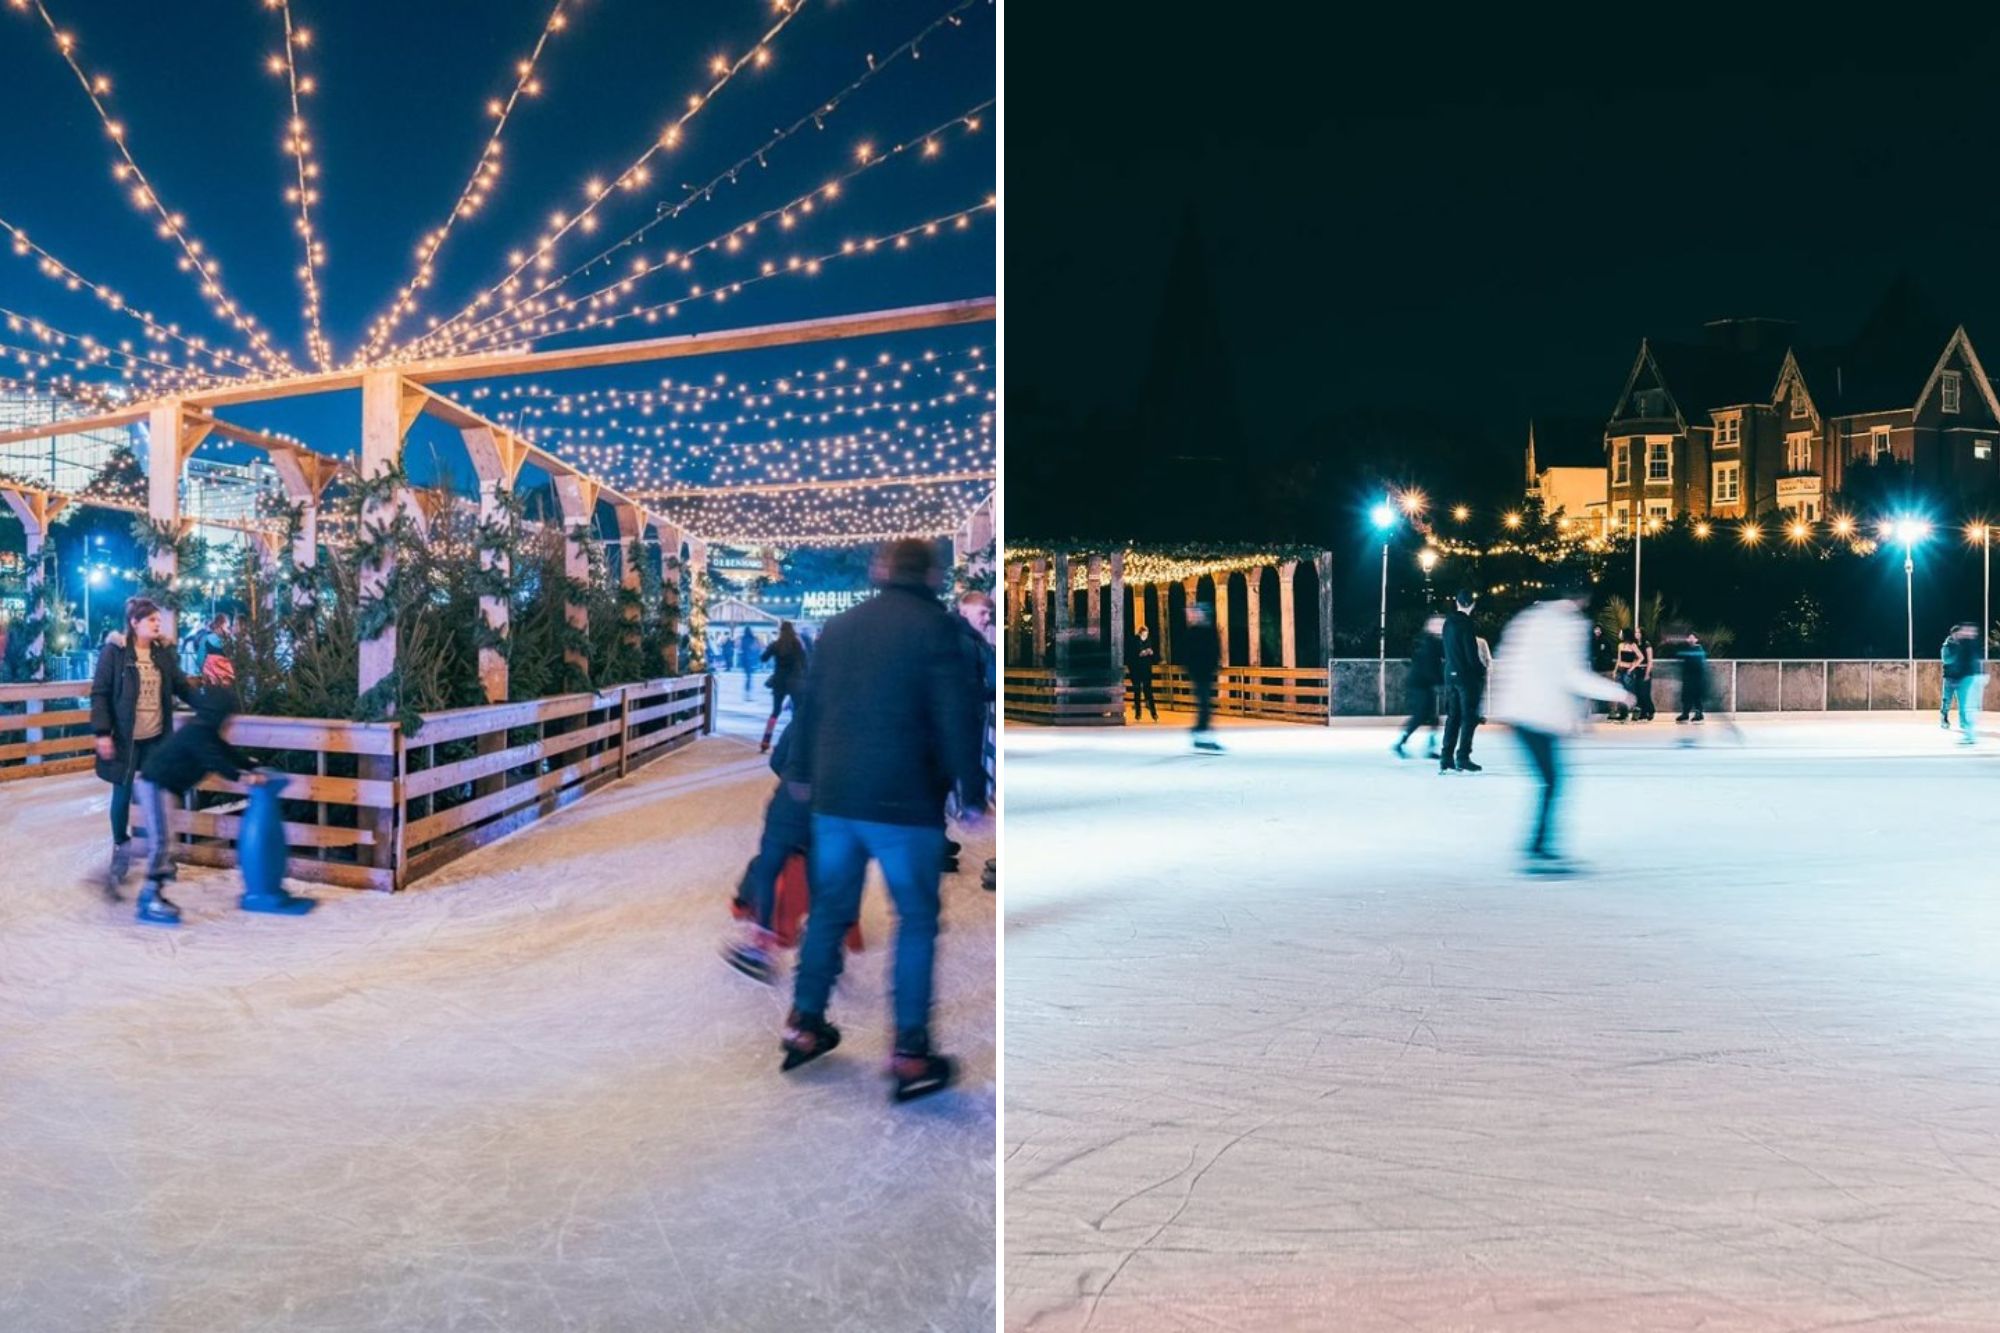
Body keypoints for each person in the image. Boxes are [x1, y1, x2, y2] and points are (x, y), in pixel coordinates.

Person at [778, 539, 987, 1103]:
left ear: (883, 571)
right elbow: (956, 711)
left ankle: (803, 1022)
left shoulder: (841, 628)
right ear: (932, 574)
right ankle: (910, 1053)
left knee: (828, 912)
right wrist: (971, 789)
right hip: (906, 803)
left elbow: (810, 705)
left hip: (836, 799)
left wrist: (800, 773)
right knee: (916, 920)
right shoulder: (937, 628)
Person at [129, 661, 301, 925]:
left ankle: (152, 891)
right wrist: (245, 777)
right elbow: (215, 761)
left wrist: (252, 766)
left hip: (164, 787)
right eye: (228, 717)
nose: (229, 723)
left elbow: (227, 754)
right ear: (217, 715)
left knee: (166, 841)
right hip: (154, 785)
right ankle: (150, 897)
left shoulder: (206, 732)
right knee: (163, 842)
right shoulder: (198, 734)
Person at [1488, 580, 1636, 874]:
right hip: (1539, 717)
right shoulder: (1568, 624)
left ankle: (1537, 846)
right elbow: (1572, 675)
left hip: (1519, 713)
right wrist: (1619, 693)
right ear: (1581, 600)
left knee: (1550, 780)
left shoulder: (1528, 617)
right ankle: (1538, 848)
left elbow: (1510, 662)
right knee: (1553, 780)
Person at [92, 597, 200, 899]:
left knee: (160, 796)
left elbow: (181, 686)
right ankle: (120, 849)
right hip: (125, 739)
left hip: (155, 737)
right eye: (151, 619)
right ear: (134, 623)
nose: (157, 623)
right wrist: (102, 732)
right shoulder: (114, 653)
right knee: (123, 794)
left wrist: (207, 705)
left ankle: (161, 856)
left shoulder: (163, 654)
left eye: (158, 619)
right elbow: (100, 693)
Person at [723, 713, 810, 982]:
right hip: (830, 811)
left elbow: (777, 760)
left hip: (789, 807)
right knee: (832, 874)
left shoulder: (805, 718)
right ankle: (822, 948)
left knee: (767, 866)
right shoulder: (856, 719)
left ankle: (761, 942)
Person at [952, 590, 998, 884]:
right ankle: (969, 805)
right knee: (964, 761)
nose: (987, 619)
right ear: (964, 610)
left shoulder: (972, 641)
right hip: (963, 715)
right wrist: (989, 693)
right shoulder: (964, 642)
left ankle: (968, 805)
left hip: (968, 714)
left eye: (989, 614)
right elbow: (965, 686)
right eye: (982, 613)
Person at [1439, 589, 1485, 773]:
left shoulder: (1447, 623)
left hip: (1450, 673)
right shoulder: (1466, 624)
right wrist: (1480, 670)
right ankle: (1463, 756)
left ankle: (1446, 757)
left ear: (1457, 602)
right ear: (1472, 604)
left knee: (1453, 717)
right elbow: (1471, 653)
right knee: (1469, 717)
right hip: (1465, 676)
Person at [1392, 614, 1444, 759]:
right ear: (1431, 627)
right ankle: (1400, 743)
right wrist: (1440, 680)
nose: (1441, 628)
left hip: (1424, 684)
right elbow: (1428, 667)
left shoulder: (1430, 642)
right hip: (1419, 684)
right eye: (1438, 625)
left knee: (1433, 718)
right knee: (1420, 716)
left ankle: (1429, 747)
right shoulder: (1430, 643)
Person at [759, 621, 808, 753]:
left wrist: (768, 649)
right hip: (795, 682)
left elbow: (763, 658)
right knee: (796, 712)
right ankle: (795, 741)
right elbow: (805, 663)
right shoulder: (798, 645)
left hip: (779, 681)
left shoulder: (776, 645)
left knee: (775, 712)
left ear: (780, 631)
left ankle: (766, 740)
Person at [1180, 602, 1222, 751]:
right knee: (1204, 704)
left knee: (1206, 704)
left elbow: (1215, 649)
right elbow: (1187, 652)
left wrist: (1215, 664)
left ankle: (1201, 731)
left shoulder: (1209, 631)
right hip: (1198, 672)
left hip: (1206, 672)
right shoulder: (1193, 632)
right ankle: (1200, 732)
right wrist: (1191, 669)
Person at [1943, 622, 1984, 745]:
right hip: (1960, 677)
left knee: (1968, 707)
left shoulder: (1969, 644)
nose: (1964, 632)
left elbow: (1972, 661)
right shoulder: (1953, 645)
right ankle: (1969, 734)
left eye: (1968, 630)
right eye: (1964, 630)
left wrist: (1980, 675)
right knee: (1963, 705)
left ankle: (1969, 734)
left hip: (1969, 678)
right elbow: (1953, 660)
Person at [1675, 630, 1709, 723]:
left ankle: (1699, 714)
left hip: (1697, 678)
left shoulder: (1699, 649)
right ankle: (1685, 714)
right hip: (1687, 678)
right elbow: (1679, 657)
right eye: (1689, 637)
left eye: (1692, 637)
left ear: (1696, 639)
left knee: (1696, 696)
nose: (1690, 639)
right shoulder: (1687, 649)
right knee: (1686, 696)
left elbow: (1698, 664)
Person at [1127, 622, 1159, 721]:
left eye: (1147, 634)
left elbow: (1154, 657)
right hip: (1136, 670)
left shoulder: (1149, 641)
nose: (1145, 636)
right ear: (1140, 634)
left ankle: (1154, 713)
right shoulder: (1134, 642)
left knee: (1148, 691)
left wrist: (1151, 653)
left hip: (1146, 670)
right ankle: (1138, 714)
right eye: (1144, 635)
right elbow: (1131, 656)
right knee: (1137, 692)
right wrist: (1139, 654)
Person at [1610, 627, 1642, 722]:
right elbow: (1619, 659)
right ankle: (1623, 713)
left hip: (1628, 671)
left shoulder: (1633, 645)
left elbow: (1641, 657)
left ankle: (1634, 711)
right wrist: (1615, 670)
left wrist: (1632, 667)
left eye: (1621, 633)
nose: (1620, 635)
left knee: (1628, 692)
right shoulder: (1620, 645)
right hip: (1620, 669)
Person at [1631, 629, 1657, 721]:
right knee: (1638, 692)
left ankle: (1650, 710)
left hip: (1645, 669)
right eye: (1635, 632)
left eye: (1638, 632)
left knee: (1645, 693)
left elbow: (1650, 661)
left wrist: (1647, 673)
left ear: (1642, 634)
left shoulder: (1646, 644)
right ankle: (1643, 712)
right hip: (1637, 670)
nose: (1636, 634)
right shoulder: (1635, 644)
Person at [736, 625, 759, 699]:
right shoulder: (753, 638)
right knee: (749, 676)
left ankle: (747, 693)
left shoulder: (742, 638)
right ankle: (748, 693)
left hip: (744, 659)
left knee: (748, 676)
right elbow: (755, 648)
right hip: (751, 659)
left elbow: (739, 648)